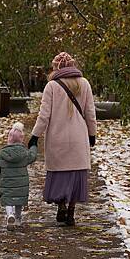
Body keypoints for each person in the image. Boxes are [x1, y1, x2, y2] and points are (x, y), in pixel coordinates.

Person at [28, 52, 96, 226]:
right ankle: (71, 211)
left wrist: (35, 136)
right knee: (75, 174)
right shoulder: (84, 84)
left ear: (56, 67)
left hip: (57, 139)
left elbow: (44, 116)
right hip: (79, 138)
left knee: (59, 173)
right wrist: (92, 134)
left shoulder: (51, 86)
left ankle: (61, 206)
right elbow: (90, 113)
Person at [0, 122, 38, 231]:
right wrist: (33, 146)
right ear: (21, 140)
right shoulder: (25, 153)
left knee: (8, 200)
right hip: (21, 184)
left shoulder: (2, 154)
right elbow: (33, 156)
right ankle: (17, 219)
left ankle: (9, 215)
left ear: (9, 139)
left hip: (6, 183)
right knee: (19, 200)